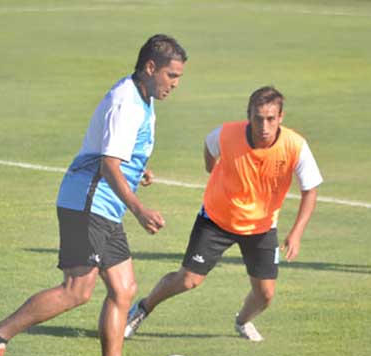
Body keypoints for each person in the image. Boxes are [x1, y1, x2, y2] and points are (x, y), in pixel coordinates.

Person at [0, 34, 187, 356]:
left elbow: (118, 150)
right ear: (151, 68)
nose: (175, 84)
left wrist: (140, 168)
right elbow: (107, 164)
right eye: (172, 75)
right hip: (87, 203)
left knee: (124, 289)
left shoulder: (142, 97)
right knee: (77, 290)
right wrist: (139, 208)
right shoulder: (128, 103)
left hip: (103, 205)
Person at [124, 86, 323, 341]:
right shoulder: (228, 133)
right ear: (248, 115)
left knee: (265, 295)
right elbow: (209, 146)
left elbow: (310, 190)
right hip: (216, 220)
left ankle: (242, 321)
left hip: (261, 227)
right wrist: (212, 167)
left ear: (281, 117)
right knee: (188, 280)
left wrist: (296, 233)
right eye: (258, 118)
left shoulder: (295, 146)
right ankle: (142, 309)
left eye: (271, 119)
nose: (264, 126)